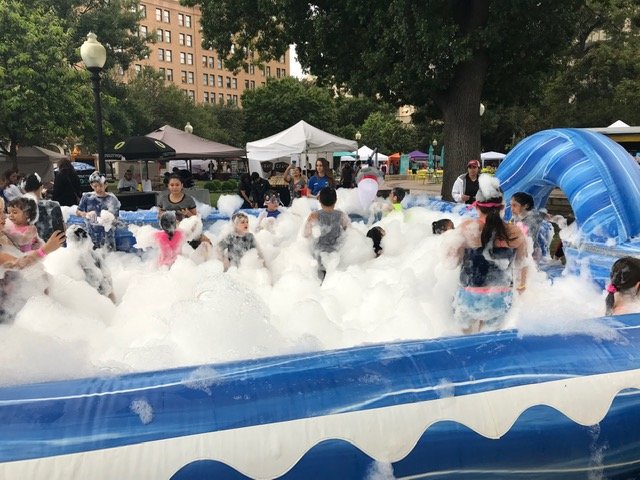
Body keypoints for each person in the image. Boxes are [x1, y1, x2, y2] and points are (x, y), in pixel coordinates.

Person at [451, 174, 528, 334]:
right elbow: (522, 265)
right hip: (500, 298)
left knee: (464, 341)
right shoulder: (515, 232)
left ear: (476, 206)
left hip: (469, 295)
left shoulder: (466, 229)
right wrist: (520, 289)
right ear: (502, 207)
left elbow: (453, 260)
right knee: (489, 342)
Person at [304, 187, 349, 280]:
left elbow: (306, 234)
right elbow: (348, 231)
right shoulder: (341, 215)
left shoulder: (314, 215)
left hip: (319, 256)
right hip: (336, 255)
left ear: (319, 200)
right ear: (335, 200)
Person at [65, 225, 116, 302]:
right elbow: (108, 280)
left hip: (94, 300)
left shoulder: (71, 260)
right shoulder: (94, 255)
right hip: (101, 299)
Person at [76, 172, 121, 250]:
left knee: (109, 259)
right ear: (91, 186)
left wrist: (109, 219)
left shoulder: (112, 199)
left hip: (108, 238)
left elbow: (116, 219)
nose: (98, 188)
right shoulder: (87, 197)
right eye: (95, 186)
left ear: (106, 184)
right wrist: (86, 214)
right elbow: (78, 212)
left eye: (101, 186)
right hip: (91, 237)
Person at [22, 173, 65, 242]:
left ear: (24, 189)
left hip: (29, 249)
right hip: (54, 248)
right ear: (41, 187)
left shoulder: (19, 208)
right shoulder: (54, 205)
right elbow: (61, 232)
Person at [509, 192, 547, 262]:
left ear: (526, 206)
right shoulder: (515, 218)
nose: (511, 209)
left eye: (515, 205)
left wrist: (560, 222)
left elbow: (550, 217)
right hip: (520, 249)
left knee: (529, 270)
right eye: (510, 205)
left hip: (533, 252)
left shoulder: (535, 215)